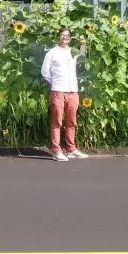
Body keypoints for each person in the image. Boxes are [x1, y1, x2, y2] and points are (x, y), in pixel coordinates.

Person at [40, 27, 89, 161]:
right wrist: (55, 82)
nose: (65, 37)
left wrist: (83, 44)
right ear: (58, 37)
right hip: (58, 91)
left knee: (71, 122)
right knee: (57, 122)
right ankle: (56, 150)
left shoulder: (73, 52)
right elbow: (45, 72)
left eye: (67, 35)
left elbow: (83, 55)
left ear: (70, 38)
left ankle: (71, 149)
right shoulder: (52, 53)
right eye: (62, 35)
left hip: (73, 91)